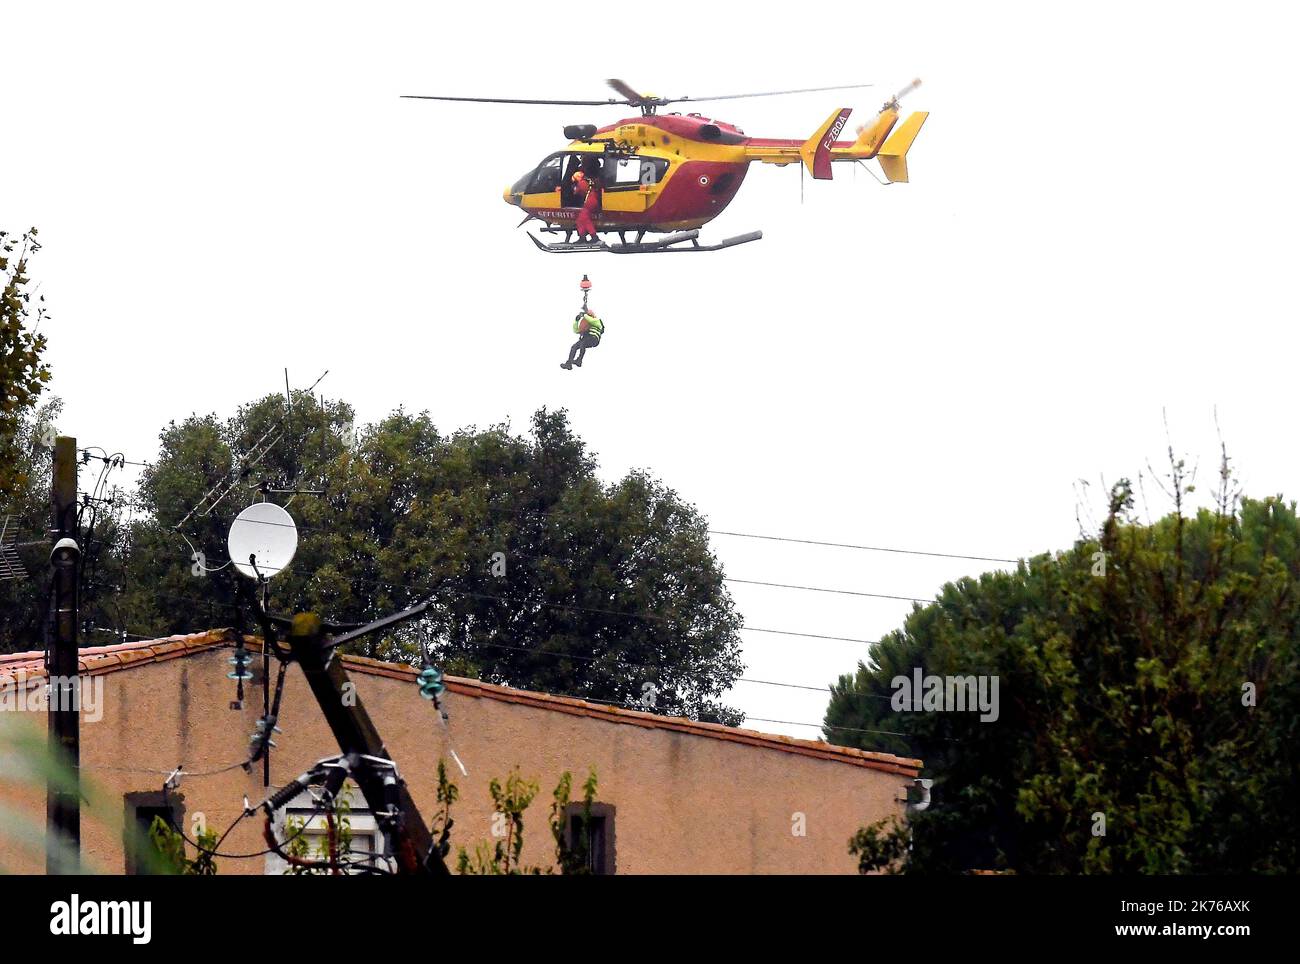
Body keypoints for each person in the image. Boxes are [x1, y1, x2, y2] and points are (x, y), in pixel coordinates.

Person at [572, 159, 602, 242]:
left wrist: (574, 185)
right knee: (580, 219)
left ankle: (594, 237)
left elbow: (576, 192)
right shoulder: (594, 180)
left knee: (584, 218)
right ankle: (582, 237)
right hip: (594, 200)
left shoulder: (582, 183)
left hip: (589, 202)